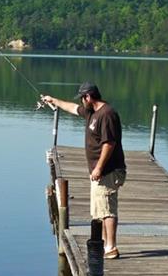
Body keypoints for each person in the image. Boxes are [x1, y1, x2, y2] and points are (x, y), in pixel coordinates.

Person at [40, 82, 126, 259]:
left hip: (108, 171)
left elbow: (109, 144)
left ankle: (111, 247)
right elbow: (72, 108)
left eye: (82, 98)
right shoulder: (91, 112)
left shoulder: (107, 114)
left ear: (88, 97)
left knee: (108, 209)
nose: (81, 101)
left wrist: (99, 168)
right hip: (100, 172)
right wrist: (53, 100)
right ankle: (105, 245)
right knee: (100, 210)